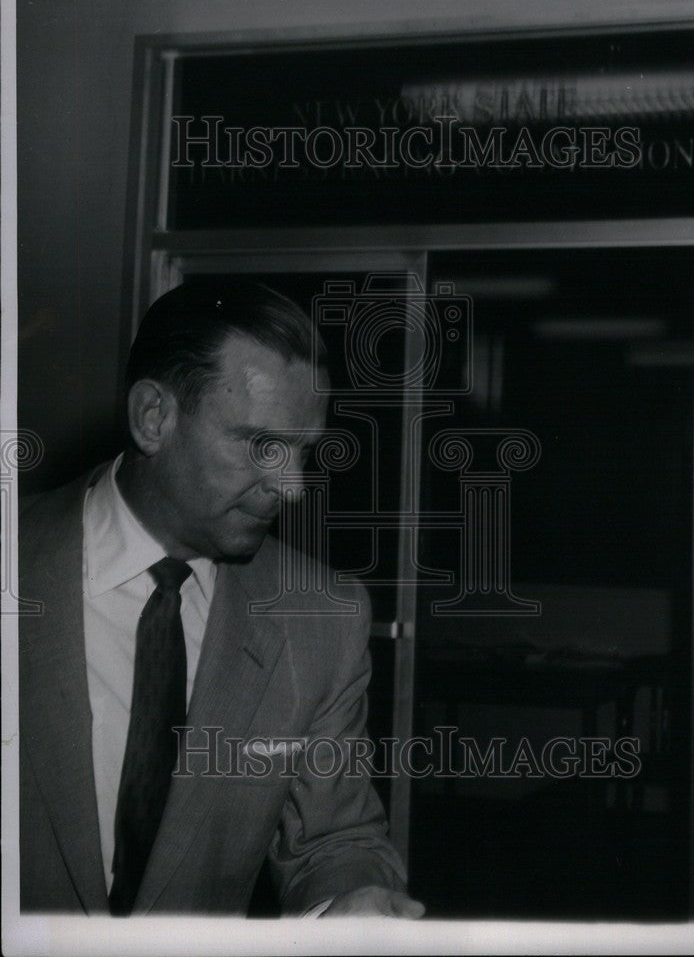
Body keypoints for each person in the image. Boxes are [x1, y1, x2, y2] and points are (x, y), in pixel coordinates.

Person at [18, 284, 424, 918]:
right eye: (262, 445)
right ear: (154, 416)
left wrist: (347, 905)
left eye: (303, 451)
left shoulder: (320, 618)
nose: (292, 488)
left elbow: (334, 841)